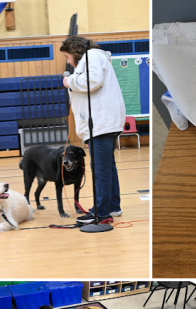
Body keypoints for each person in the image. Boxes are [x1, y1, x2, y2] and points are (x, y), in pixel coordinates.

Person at [60, 36, 125, 225]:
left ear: (74, 52)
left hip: (101, 123)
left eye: (66, 56)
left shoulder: (92, 56)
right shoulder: (94, 57)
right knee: (107, 166)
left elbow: (92, 81)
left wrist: (69, 81)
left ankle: (102, 212)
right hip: (102, 122)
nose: (67, 60)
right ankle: (112, 205)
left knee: (101, 169)